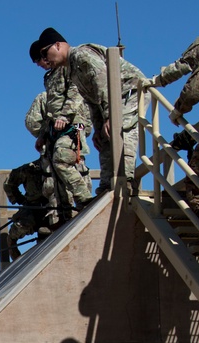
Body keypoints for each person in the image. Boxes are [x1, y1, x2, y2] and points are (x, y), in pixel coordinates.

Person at [37, 27, 145, 190]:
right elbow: (92, 100)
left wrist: (110, 115)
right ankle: (107, 183)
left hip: (128, 90)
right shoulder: (71, 70)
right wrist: (99, 127)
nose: (45, 59)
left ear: (58, 45)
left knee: (123, 128)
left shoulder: (81, 55)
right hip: (112, 98)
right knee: (104, 138)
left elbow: (103, 81)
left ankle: (126, 180)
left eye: (45, 53)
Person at [27, 58, 94, 211]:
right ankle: (67, 212)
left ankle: (84, 198)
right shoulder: (49, 79)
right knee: (57, 174)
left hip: (72, 127)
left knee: (63, 162)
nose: (40, 65)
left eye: (40, 60)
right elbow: (44, 117)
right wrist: (42, 135)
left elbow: (76, 94)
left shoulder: (68, 70)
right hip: (55, 132)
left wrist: (67, 118)